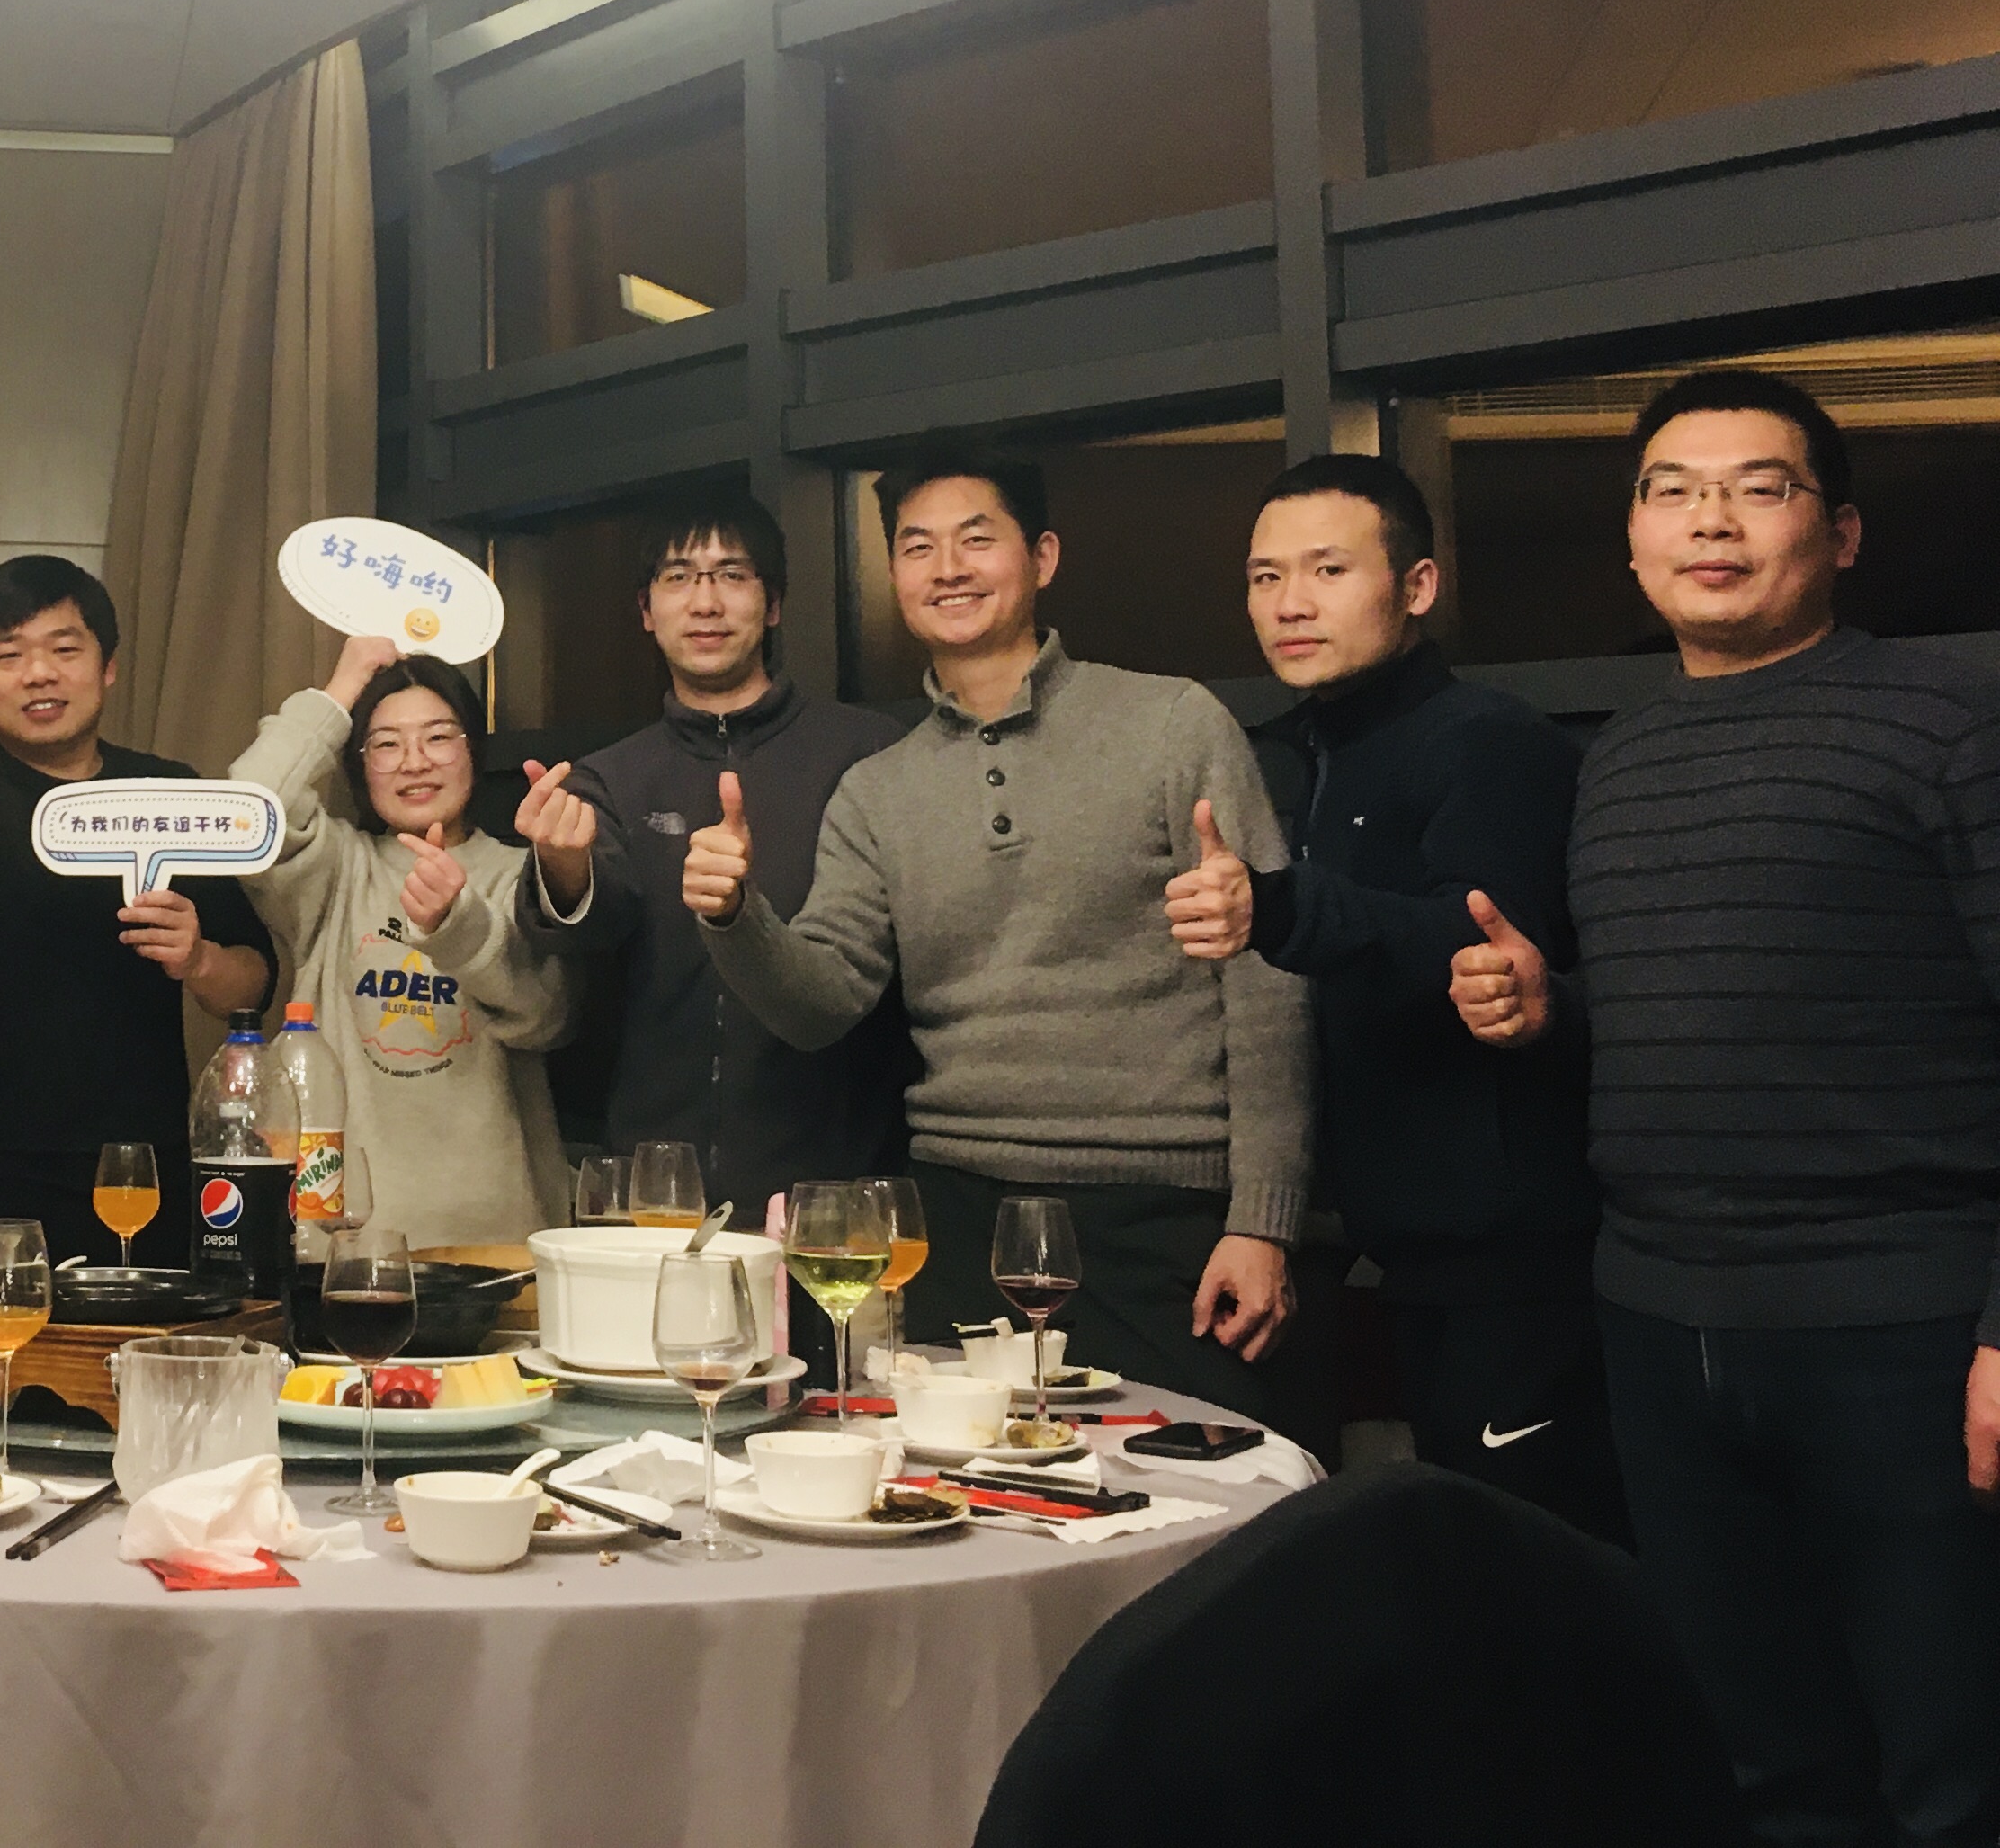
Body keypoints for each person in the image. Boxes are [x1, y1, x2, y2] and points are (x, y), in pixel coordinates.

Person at [1454, 369, 2000, 1846]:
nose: (1710, 520)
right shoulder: (1621, 759)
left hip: (1905, 1330)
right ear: (1632, 539)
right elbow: (1682, 1013)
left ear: (1840, 532)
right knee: (1759, 1770)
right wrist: (1550, 1008)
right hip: (1661, 1328)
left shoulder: (1948, 723)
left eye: (1758, 487)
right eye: (1671, 491)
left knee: (1953, 1775)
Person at [696, 442, 1316, 1426]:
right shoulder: (879, 789)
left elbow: (1269, 982)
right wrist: (736, 916)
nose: (947, 568)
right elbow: (820, 1003)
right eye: (917, 547)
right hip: (958, 1220)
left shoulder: (1171, 723)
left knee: (1212, 1497)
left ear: (1043, 558)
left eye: (976, 540)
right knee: (971, 1495)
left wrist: (1263, 1223)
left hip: (1164, 1217)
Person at [1162, 455, 1619, 1540]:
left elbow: (1478, 940)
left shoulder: (1488, 742)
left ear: (1417, 586)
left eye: (1328, 570)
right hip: (1388, 1253)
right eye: (1266, 577)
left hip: (1513, 1265)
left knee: (1531, 1575)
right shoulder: (1301, 757)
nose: (1292, 603)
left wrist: (1277, 908)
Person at [0, 555, 274, 1266]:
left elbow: (254, 983)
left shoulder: (168, 795)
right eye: (9, 655)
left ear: (107, 667)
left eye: (64, 649)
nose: (39, 674)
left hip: (140, 1172)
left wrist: (200, 958)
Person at [511, 496, 912, 1216]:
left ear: (773, 604)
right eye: (678, 577)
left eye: (732, 574)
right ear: (646, 611)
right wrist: (563, 864)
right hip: (657, 1186)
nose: (705, 603)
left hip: (837, 1187)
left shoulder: (870, 754)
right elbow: (597, 922)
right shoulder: (612, 777)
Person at [232, 638, 564, 1245]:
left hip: (492, 1235)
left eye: (438, 737)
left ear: (473, 750)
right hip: (343, 1234)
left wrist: (456, 923)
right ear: (358, 764)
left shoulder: (522, 872)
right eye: (386, 744)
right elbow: (246, 812)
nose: (415, 762)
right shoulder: (334, 867)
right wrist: (342, 688)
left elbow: (542, 1017)